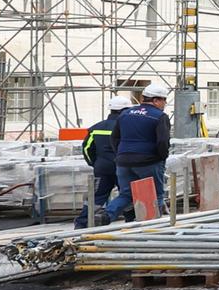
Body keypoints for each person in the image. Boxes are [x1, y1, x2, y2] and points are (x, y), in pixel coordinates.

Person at [104, 80, 172, 222]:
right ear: (155, 100)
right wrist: (161, 157)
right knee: (156, 194)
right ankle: (155, 225)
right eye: (164, 100)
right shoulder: (160, 116)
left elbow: (114, 138)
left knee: (126, 194)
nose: (164, 104)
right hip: (149, 161)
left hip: (123, 161)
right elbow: (162, 141)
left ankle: (106, 215)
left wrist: (121, 155)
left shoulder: (125, 114)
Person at [74, 94, 131, 228]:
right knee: (127, 195)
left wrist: (94, 163)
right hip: (122, 167)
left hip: (101, 168)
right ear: (125, 110)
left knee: (97, 197)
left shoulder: (96, 127)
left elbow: (87, 148)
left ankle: (82, 223)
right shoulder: (127, 127)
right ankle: (131, 221)